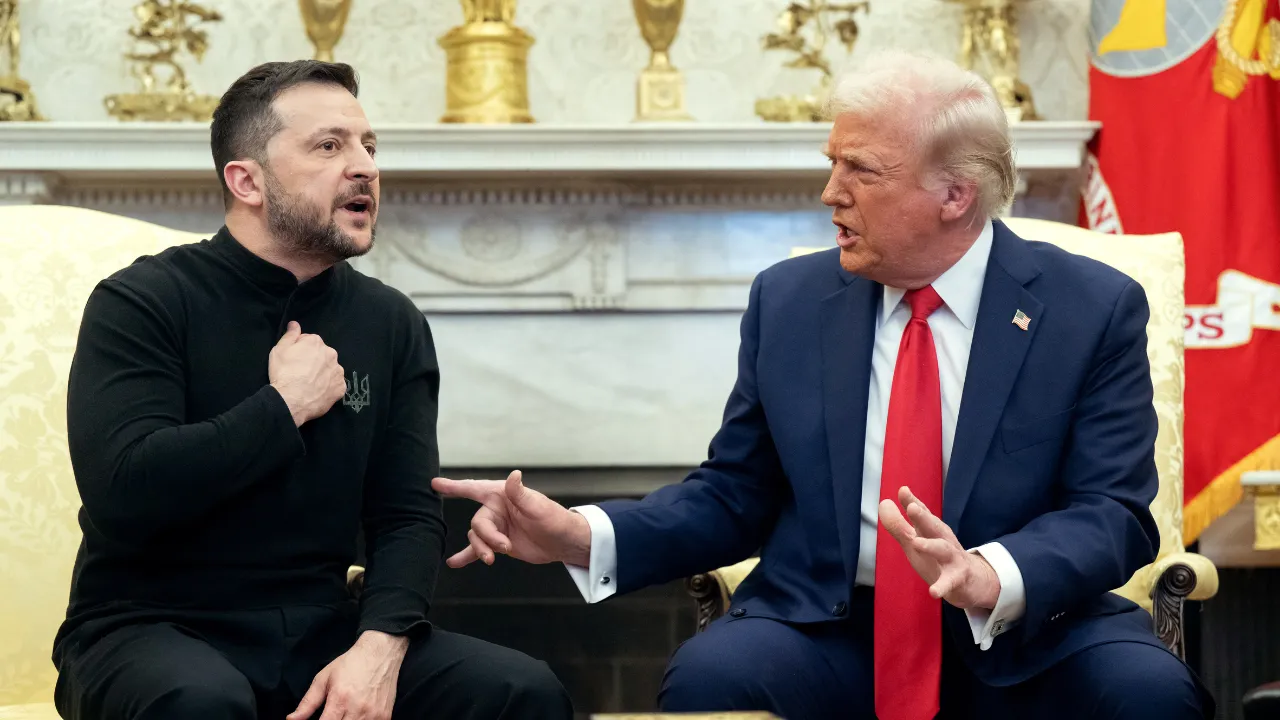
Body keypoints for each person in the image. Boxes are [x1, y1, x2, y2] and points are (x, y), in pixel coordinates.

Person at [432, 51, 1214, 720]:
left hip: (1031, 627)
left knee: (1148, 694)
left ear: (955, 195)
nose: (830, 193)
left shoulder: (1089, 307)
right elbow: (733, 496)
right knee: (711, 679)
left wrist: (990, 574)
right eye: (832, 164)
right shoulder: (791, 301)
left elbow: (1112, 512)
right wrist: (582, 535)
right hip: (832, 628)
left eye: (861, 170)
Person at [51, 59, 573, 720]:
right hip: (146, 627)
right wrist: (283, 408)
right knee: (199, 702)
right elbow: (126, 492)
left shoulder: (390, 321)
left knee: (520, 691)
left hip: (323, 627)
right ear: (246, 181)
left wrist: (379, 647)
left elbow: (406, 517)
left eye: (369, 146)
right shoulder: (142, 300)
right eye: (329, 146)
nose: (365, 168)